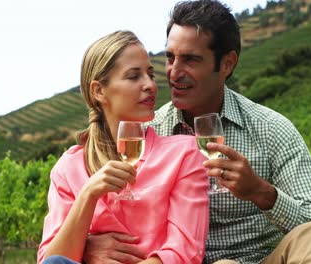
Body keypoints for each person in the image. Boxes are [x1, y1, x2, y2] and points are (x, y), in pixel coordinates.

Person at [83, 1, 311, 264]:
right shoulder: (145, 134)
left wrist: (262, 193)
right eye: (169, 58)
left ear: (226, 64)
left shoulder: (270, 129)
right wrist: (86, 245)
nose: (174, 73)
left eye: (190, 60)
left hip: (268, 259)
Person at [37, 30, 210, 264]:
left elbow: (184, 253)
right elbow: (51, 260)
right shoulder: (68, 169)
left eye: (150, 74)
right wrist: (88, 195)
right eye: (133, 76)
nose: (150, 85)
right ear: (98, 91)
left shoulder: (184, 154)